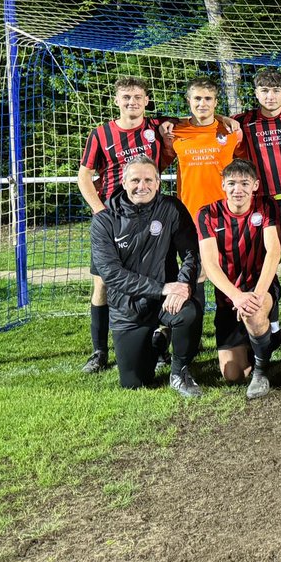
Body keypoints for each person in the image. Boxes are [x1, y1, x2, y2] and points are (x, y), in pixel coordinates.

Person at [77, 76, 175, 373]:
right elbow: (84, 176)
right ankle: (99, 351)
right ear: (117, 101)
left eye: (137, 97)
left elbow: (197, 117)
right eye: (126, 97)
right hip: (114, 219)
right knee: (103, 282)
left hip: (153, 217)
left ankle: (160, 345)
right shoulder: (101, 133)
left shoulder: (158, 129)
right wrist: (101, 213)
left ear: (147, 100)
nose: (132, 102)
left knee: (163, 275)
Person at [89, 156, 203, 397]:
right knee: (134, 382)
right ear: (123, 181)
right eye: (136, 180)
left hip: (165, 300)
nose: (142, 186)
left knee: (188, 312)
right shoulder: (104, 219)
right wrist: (162, 288)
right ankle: (157, 342)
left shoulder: (171, 208)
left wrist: (183, 285)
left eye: (149, 179)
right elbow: (112, 274)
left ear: (158, 182)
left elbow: (191, 253)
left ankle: (179, 372)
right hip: (128, 306)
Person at [196, 159, 281, 400]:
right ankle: (272, 338)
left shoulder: (266, 206)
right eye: (232, 183)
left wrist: (255, 296)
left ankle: (262, 371)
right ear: (223, 184)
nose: (238, 190)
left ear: (255, 185)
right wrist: (236, 296)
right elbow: (210, 264)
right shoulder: (207, 214)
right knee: (232, 374)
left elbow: (274, 251)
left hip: (261, 288)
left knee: (253, 313)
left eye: (245, 183)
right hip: (229, 296)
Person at [235, 69, 281, 224]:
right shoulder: (244, 121)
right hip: (260, 199)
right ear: (256, 93)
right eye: (265, 91)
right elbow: (207, 120)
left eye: (276, 91)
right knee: (262, 248)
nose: (270, 96)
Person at [167, 76, 242, 224]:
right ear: (189, 101)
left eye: (208, 98)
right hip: (189, 211)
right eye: (197, 98)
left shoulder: (232, 131)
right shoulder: (174, 131)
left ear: (215, 102)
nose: (202, 104)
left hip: (225, 211)